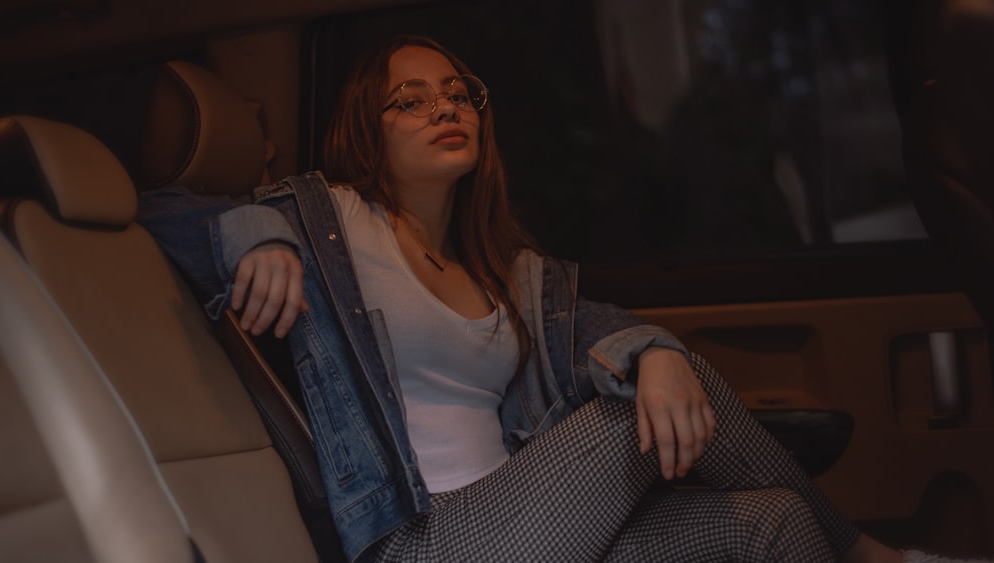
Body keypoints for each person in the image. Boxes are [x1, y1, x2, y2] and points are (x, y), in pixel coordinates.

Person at [139, 34, 911, 562]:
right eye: (411, 100)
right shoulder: (327, 220)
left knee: (774, 521)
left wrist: (653, 351)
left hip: (531, 522)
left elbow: (591, 329)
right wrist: (255, 235)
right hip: (423, 540)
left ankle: (837, 544)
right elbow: (158, 209)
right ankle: (866, 554)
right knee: (643, 400)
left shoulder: (499, 266)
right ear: (368, 133)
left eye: (457, 93)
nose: (445, 108)